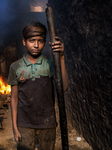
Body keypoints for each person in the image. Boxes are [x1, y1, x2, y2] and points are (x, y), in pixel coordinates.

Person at [8, 21, 69, 150]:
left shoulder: (50, 63)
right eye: (32, 40)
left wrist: (61, 58)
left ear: (45, 42)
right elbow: (14, 98)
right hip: (24, 122)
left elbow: (63, 87)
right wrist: (14, 127)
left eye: (40, 41)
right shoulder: (16, 67)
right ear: (24, 42)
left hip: (47, 121)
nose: (36, 45)